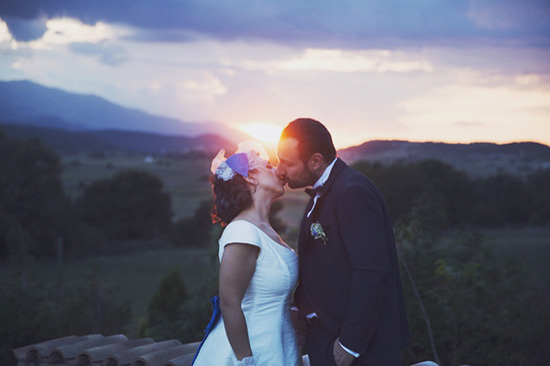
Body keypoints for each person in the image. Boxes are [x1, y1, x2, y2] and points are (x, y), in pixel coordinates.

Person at [276, 118, 412, 366]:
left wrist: (350, 343)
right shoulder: (326, 190)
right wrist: (300, 306)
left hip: (359, 350)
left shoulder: (352, 192)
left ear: (316, 161)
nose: (279, 170)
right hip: (326, 339)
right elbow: (323, 264)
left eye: (287, 163)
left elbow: (371, 272)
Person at [192, 141, 303, 366]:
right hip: (251, 352)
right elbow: (229, 302)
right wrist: (246, 361)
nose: (278, 171)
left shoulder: (267, 231)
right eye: (269, 166)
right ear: (251, 177)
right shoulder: (242, 231)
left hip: (280, 347)